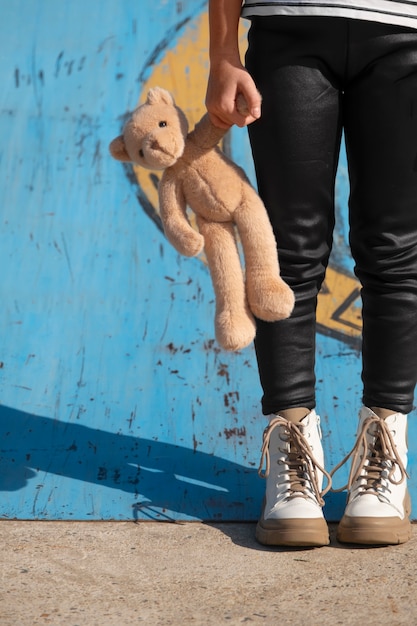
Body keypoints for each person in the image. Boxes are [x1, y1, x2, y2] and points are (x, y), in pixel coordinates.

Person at [206, 0, 417, 547]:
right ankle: (291, 450)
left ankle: (384, 451)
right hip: (289, 22)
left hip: (407, 28)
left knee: (394, 249)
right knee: (286, 252)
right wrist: (224, 51)